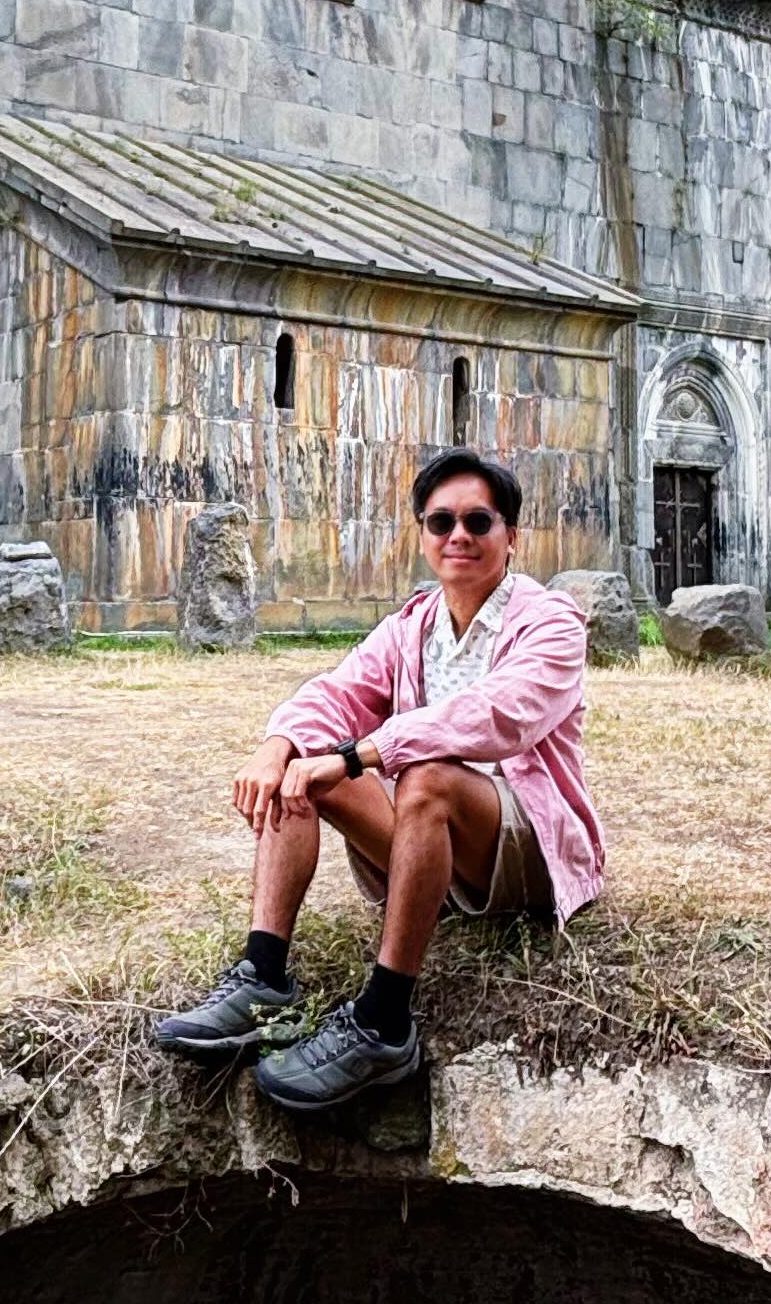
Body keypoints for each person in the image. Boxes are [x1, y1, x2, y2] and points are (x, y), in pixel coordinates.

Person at [152, 449, 603, 1110]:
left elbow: (496, 718)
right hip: (429, 849)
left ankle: (386, 1021)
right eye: (441, 521)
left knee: (425, 778)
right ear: (423, 535)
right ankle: (264, 979)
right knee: (302, 771)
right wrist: (277, 746)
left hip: (524, 850)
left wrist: (364, 754)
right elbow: (336, 692)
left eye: (479, 521)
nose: (459, 536)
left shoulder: (550, 623)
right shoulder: (413, 626)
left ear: (512, 535)